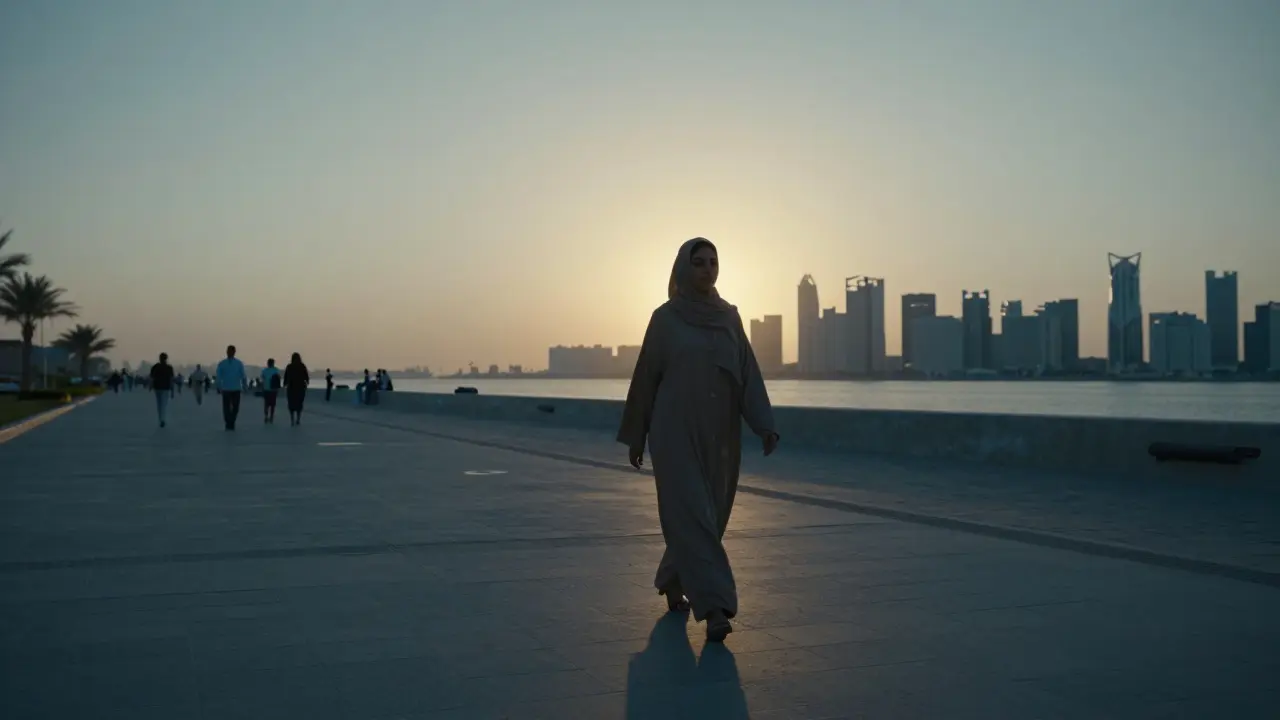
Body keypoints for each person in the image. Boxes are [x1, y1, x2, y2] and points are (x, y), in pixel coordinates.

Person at [617, 238, 780, 643]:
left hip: (720, 433)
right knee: (691, 512)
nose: (708, 269)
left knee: (709, 516)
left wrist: (764, 423)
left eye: (713, 262)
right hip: (673, 430)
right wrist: (637, 435)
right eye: (699, 262)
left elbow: (747, 372)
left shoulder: (730, 318)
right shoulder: (665, 319)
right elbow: (646, 377)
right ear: (683, 268)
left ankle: (672, 579)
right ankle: (715, 608)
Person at [216, 345, 247, 430]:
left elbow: (243, 376)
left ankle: (232, 421)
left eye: (232, 351)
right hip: (226, 388)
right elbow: (218, 376)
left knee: (236, 407)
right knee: (226, 407)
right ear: (227, 352)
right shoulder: (222, 364)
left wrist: (244, 386)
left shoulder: (239, 363)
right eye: (229, 351)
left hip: (236, 388)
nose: (230, 353)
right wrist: (218, 386)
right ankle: (228, 422)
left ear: (234, 352)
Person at [149, 352, 175, 428]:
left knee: (159, 404)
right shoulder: (169, 368)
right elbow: (171, 379)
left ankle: (161, 419)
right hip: (166, 388)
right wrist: (172, 390)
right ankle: (163, 419)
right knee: (164, 404)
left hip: (157, 387)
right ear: (166, 359)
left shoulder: (155, 367)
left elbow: (152, 378)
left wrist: (150, 386)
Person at [283, 352, 310, 426]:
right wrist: (307, 382)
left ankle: (292, 419)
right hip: (300, 387)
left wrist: (284, 383)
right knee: (299, 404)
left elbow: (286, 376)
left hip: (291, 388)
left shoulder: (289, 366)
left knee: (291, 404)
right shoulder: (302, 366)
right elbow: (306, 375)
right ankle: (298, 419)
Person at [260, 358, 282, 424]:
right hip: (273, 390)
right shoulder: (276, 370)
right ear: (273, 363)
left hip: (266, 389)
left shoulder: (264, 370)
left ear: (268, 363)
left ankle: (266, 416)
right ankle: (271, 417)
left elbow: (262, 379)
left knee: (266, 404)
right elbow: (279, 378)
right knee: (273, 405)